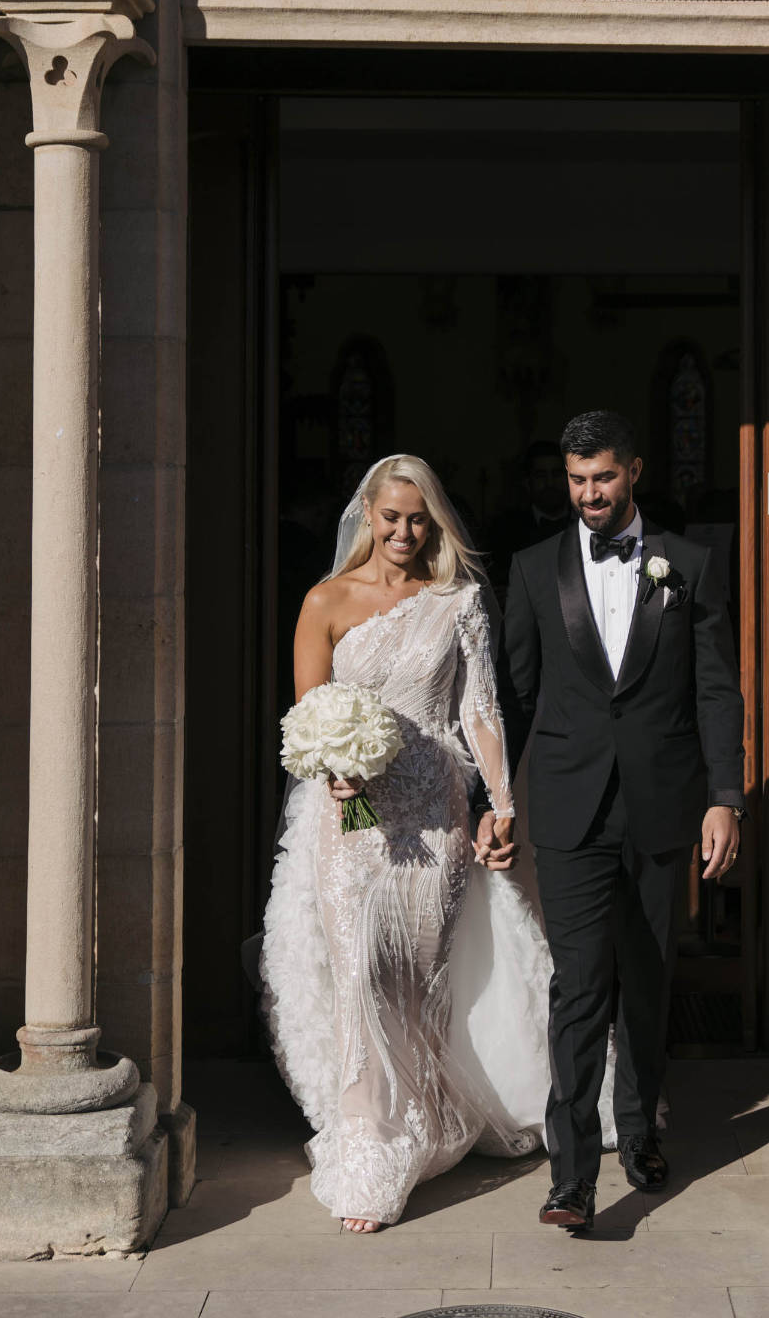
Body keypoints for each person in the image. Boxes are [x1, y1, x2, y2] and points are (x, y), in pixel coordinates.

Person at [261, 454, 597, 1233]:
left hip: (436, 812)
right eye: (392, 517)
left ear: (434, 520)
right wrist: (333, 768)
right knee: (359, 973)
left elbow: (480, 712)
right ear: (368, 515)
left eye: (419, 518)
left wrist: (503, 803)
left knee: (415, 978)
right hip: (350, 817)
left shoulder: (460, 602)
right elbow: (309, 712)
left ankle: (428, 1119)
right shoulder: (326, 600)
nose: (405, 532)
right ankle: (372, 1145)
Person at [485, 409, 745, 1232]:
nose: (589, 494)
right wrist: (492, 801)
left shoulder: (691, 565)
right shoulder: (531, 570)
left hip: (665, 805)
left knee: (648, 981)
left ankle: (638, 1133)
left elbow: (716, 688)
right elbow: (515, 697)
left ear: (632, 470)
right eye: (576, 480)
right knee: (579, 989)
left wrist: (724, 797)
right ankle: (571, 1178)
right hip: (568, 809)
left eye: (602, 477)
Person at [486, 440, 571, 590]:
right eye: (541, 476)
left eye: (557, 474)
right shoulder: (504, 530)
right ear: (527, 482)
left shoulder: (588, 524)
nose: (550, 483)